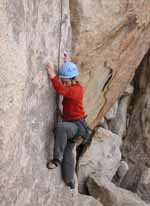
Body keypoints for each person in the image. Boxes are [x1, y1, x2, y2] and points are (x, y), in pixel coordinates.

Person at [46, 54, 87, 189]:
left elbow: (62, 90)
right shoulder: (73, 83)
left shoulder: (76, 90)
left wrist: (53, 75)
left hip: (76, 126)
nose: (64, 83)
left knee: (60, 128)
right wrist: (67, 64)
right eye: (62, 80)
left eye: (66, 81)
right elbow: (67, 80)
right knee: (69, 152)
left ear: (73, 79)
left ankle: (57, 159)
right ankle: (70, 180)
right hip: (74, 126)